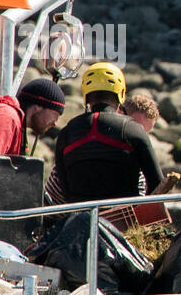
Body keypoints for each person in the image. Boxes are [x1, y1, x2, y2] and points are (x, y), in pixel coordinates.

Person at [53, 62, 162, 204]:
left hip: (78, 221)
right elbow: (157, 184)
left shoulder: (66, 133)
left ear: (86, 95)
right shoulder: (132, 129)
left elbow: (63, 187)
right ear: (121, 93)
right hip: (122, 221)